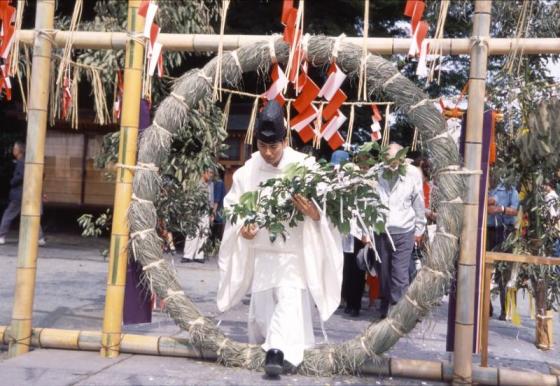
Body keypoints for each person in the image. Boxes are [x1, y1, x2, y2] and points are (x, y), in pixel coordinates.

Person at [217, 100, 343, 376]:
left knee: (288, 300)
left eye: (273, 147)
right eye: (262, 146)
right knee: (262, 312)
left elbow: (328, 208)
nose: (268, 153)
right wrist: (242, 227)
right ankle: (274, 347)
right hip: (263, 253)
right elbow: (233, 205)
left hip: (293, 254)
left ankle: (276, 352)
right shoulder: (248, 170)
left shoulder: (305, 166)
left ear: (285, 142)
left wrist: (314, 212)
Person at [371, 143, 426, 319]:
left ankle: (398, 316)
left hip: (404, 230)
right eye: (389, 161)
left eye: (396, 161)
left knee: (400, 275)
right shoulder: (377, 171)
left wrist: (419, 228)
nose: (392, 165)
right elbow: (368, 200)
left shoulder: (412, 173)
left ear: (402, 159)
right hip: (381, 230)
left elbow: (419, 200)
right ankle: (387, 304)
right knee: (384, 274)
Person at [331, 150, 366, 317]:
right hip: (341, 231)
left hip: (356, 231)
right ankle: (342, 298)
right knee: (342, 266)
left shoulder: (358, 181)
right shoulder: (334, 181)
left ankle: (354, 303)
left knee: (355, 269)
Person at [0, 141, 46, 246]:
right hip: (30, 193)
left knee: (8, 214)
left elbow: (20, 177)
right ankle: (40, 238)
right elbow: (41, 175)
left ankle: (1, 236)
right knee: (32, 215)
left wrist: (12, 182)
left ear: (19, 151)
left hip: (19, 194)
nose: (13, 150)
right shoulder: (31, 162)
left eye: (14, 149)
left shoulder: (21, 162)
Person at [486, 177, 519, 320]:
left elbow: (515, 210)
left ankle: (507, 309)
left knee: (505, 270)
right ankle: (486, 307)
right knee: (484, 269)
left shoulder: (509, 188)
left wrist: (501, 209)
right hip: (487, 231)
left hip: (506, 231)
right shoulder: (483, 187)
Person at [182, 169, 214, 263]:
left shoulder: (211, 184)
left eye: (212, 173)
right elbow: (190, 196)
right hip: (195, 210)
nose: (211, 175)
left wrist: (211, 213)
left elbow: (211, 199)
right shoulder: (196, 182)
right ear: (204, 172)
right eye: (209, 173)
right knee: (193, 232)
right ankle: (188, 255)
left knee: (204, 233)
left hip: (205, 211)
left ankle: (199, 256)